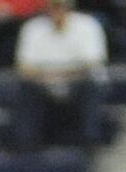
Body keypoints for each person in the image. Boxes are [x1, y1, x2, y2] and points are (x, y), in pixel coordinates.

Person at [12, 0, 107, 153]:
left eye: (60, 6)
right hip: (43, 84)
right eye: (52, 6)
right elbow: (24, 68)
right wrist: (54, 76)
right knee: (25, 88)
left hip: (78, 83)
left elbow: (92, 65)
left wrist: (53, 74)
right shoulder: (32, 28)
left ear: (69, 7)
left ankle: (90, 140)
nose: (56, 11)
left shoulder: (87, 25)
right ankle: (26, 143)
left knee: (91, 85)